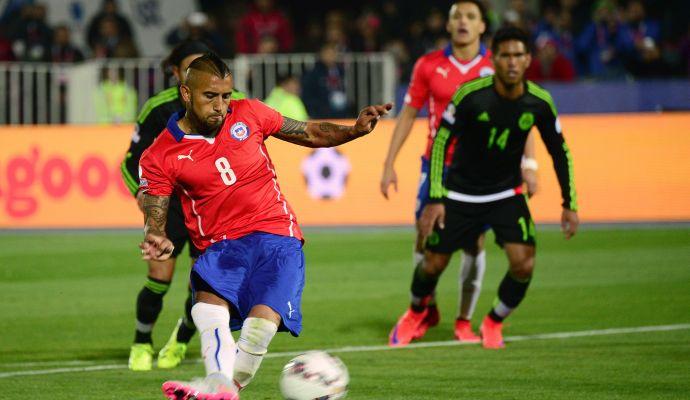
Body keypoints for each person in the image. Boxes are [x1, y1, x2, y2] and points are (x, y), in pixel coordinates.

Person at [137, 52, 391, 399]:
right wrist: (156, 232)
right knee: (207, 306)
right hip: (219, 244)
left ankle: (223, 386)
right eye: (210, 96)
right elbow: (155, 199)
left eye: (226, 96)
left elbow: (310, 132)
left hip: (275, 233)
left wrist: (354, 131)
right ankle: (221, 386)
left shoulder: (250, 113)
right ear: (185, 93)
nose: (221, 106)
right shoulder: (160, 154)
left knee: (260, 327)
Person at [397, 26, 578, 350]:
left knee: (524, 264)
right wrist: (436, 197)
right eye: (505, 55)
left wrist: (569, 203)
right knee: (432, 264)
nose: (511, 62)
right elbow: (440, 143)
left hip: (506, 194)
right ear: (493, 59)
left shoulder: (539, 102)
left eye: (518, 55)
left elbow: (559, 151)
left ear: (527, 60)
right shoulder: (470, 95)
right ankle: (415, 312)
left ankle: (494, 320)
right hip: (459, 193)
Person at [382, 0, 539, 346]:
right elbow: (408, 113)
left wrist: (529, 164)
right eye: (457, 17)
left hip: (485, 173)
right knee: (424, 239)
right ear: (449, 26)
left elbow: (521, 117)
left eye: (471, 16)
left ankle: (464, 321)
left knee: (474, 243)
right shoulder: (429, 65)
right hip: (438, 167)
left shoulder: (496, 65)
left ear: (483, 26)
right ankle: (424, 310)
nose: (463, 22)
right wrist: (389, 162)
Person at [122, 40, 246, 371]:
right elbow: (130, 162)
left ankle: (179, 341)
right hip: (172, 206)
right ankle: (141, 342)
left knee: (204, 285)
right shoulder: (158, 109)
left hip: (211, 207)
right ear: (178, 74)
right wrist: (143, 195)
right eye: (191, 69)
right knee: (159, 276)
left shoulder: (228, 106)